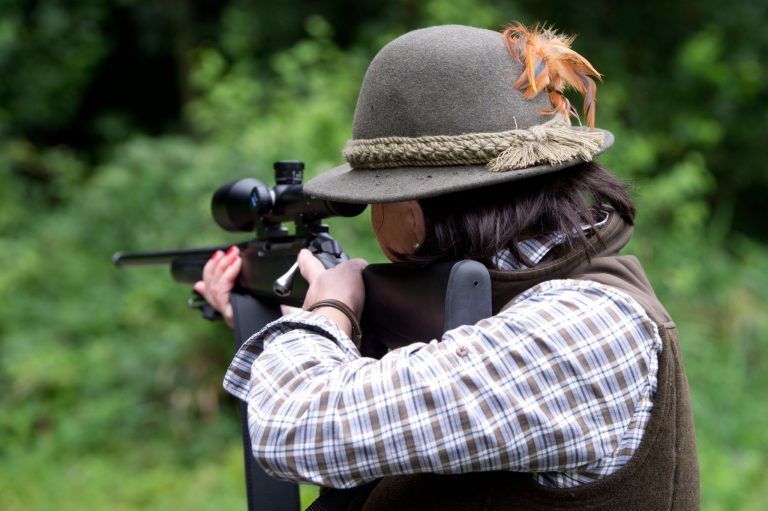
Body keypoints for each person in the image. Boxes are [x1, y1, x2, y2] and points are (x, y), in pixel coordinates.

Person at [194, 23, 699, 510]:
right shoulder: (521, 312)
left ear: (410, 216)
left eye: (375, 201)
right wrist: (278, 320)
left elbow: (292, 427)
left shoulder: (584, 328)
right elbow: (425, 386)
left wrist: (329, 307)